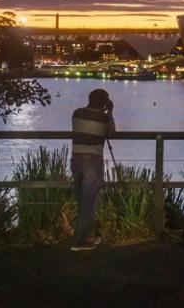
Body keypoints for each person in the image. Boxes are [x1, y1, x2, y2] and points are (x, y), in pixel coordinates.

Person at [70, 88, 116, 251]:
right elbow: (112, 132)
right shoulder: (103, 118)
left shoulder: (77, 113)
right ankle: (82, 240)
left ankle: (81, 236)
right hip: (93, 160)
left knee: (81, 198)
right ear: (104, 102)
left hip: (76, 158)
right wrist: (110, 111)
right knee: (89, 200)